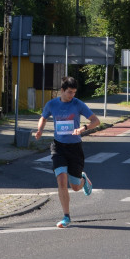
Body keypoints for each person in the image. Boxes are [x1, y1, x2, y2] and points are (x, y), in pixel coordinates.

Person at [34, 76, 101, 228]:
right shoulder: (51, 104)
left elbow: (96, 121)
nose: (72, 95)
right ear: (62, 90)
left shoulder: (78, 104)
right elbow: (43, 118)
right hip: (58, 147)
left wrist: (83, 129)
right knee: (61, 181)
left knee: (75, 187)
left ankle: (82, 179)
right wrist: (39, 130)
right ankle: (66, 216)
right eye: (69, 92)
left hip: (75, 148)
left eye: (74, 92)